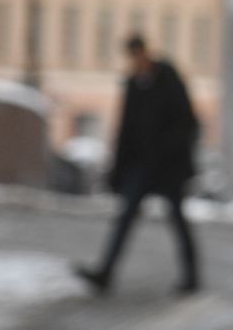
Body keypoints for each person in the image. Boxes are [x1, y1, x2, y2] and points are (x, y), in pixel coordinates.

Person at [76, 35, 201, 296]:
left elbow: (187, 122)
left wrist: (172, 154)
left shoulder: (168, 78)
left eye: (138, 55)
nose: (137, 61)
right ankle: (105, 273)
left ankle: (191, 277)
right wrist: (117, 171)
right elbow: (126, 131)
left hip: (168, 168)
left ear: (146, 52)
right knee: (124, 220)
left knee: (178, 221)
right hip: (142, 168)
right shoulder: (133, 84)